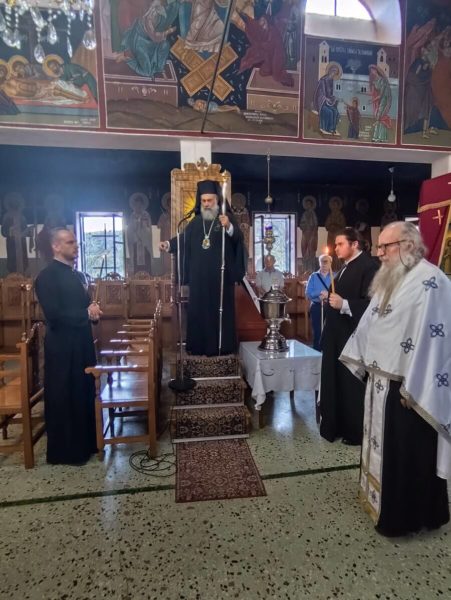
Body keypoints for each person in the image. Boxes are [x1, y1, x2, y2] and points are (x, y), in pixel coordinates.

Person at [340, 222, 450, 537]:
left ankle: (406, 517)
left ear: (408, 245)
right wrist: (361, 357)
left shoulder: (432, 281)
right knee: (385, 449)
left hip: (410, 389)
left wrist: (413, 385)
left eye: (385, 246)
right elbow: (371, 322)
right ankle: (381, 505)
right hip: (380, 381)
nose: (379, 253)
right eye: (379, 247)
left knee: (407, 454)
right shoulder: (390, 278)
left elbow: (437, 340)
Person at [35, 228, 101, 465]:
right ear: (56, 246)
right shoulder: (46, 277)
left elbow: (84, 306)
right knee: (65, 395)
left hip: (81, 343)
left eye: (76, 242)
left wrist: (93, 312)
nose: (76, 246)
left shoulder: (77, 275)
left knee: (83, 392)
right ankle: (67, 452)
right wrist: (86, 313)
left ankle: (87, 444)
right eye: (70, 242)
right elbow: (54, 315)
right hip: (62, 348)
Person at [159, 180, 245, 356]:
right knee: (199, 312)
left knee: (219, 313)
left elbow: (238, 239)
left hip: (220, 281)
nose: (206, 204)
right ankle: (198, 347)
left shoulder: (225, 220)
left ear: (217, 200)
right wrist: (168, 244)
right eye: (203, 201)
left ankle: (222, 347)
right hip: (199, 280)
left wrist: (229, 226)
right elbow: (183, 238)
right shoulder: (196, 222)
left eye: (210, 200)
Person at [319, 227, 379, 445]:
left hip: (352, 338)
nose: (336, 248)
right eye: (335, 245)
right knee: (335, 381)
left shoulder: (369, 266)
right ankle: (335, 426)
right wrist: (329, 298)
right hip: (336, 336)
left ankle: (354, 432)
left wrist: (344, 304)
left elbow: (373, 304)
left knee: (349, 385)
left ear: (355, 244)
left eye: (340, 244)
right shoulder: (345, 267)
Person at [305, 254, 332, 351]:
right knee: (317, 332)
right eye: (322, 262)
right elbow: (308, 293)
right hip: (317, 307)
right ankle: (317, 353)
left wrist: (328, 295)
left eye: (326, 262)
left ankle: (328, 354)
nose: (324, 264)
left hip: (331, 307)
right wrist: (320, 293)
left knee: (330, 331)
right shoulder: (313, 276)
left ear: (330, 263)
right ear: (319, 263)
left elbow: (339, 292)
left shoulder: (335, 276)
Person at [313, 63, 341, 136]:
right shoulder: (323, 80)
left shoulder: (331, 81)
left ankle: (332, 129)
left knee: (335, 111)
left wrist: (334, 98)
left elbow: (330, 94)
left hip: (328, 103)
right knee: (330, 112)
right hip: (321, 103)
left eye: (335, 73)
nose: (334, 74)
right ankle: (325, 128)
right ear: (330, 71)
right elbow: (321, 94)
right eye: (333, 71)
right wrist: (326, 99)